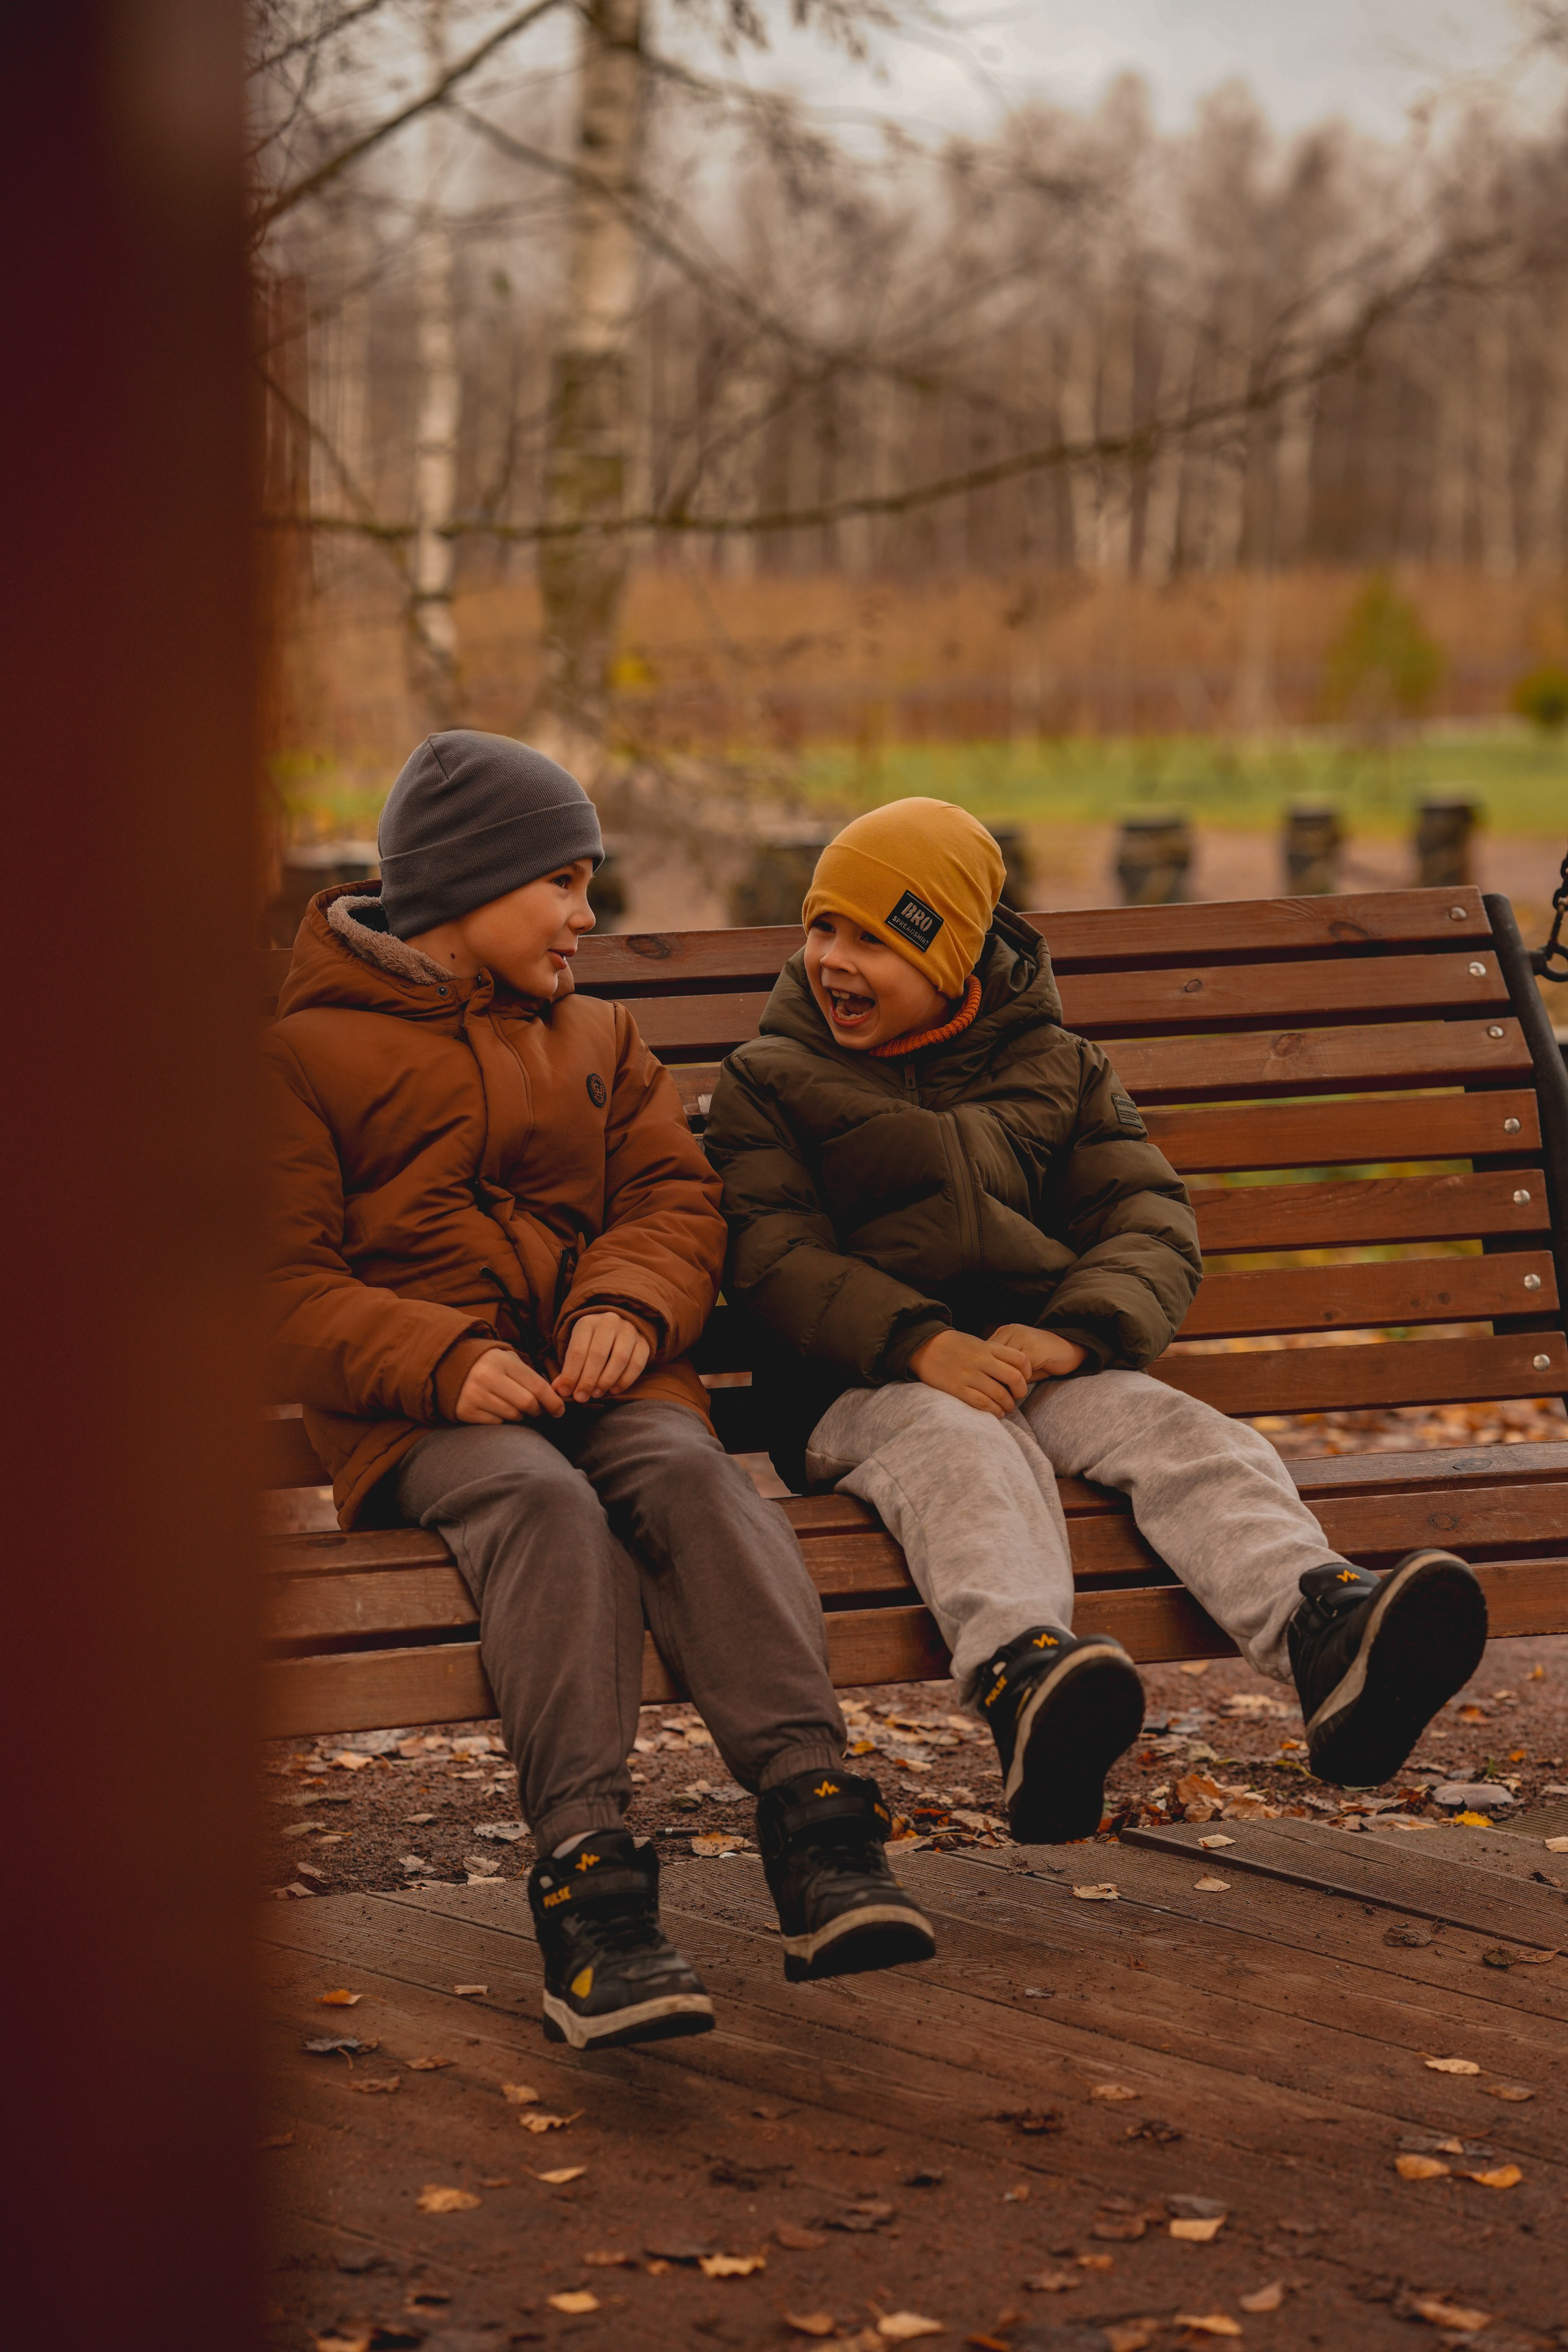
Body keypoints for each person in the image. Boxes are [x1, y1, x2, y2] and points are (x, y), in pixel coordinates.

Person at [265, 731, 934, 2050]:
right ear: (464, 886)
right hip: (425, 1421)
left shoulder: (601, 1038)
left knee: (689, 1473)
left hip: (602, 1378)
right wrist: (446, 1360)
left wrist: (627, 1303)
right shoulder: (298, 1059)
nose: (585, 914)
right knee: (543, 1507)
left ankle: (816, 1830)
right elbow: (280, 1288)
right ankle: (592, 1894)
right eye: (561, 884)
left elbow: (675, 1201)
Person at [703, 798, 1488, 1843]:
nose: (835, 961)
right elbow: (773, 1255)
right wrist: (920, 1344)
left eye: (876, 939)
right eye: (821, 929)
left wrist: (1073, 1331)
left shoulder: (1061, 1067)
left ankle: (1325, 1634)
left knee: (1182, 1433)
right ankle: (1028, 1680)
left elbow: (1147, 1217)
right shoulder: (770, 1082)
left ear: (959, 953)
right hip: (860, 1384)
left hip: (1040, 1362)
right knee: (962, 1448)